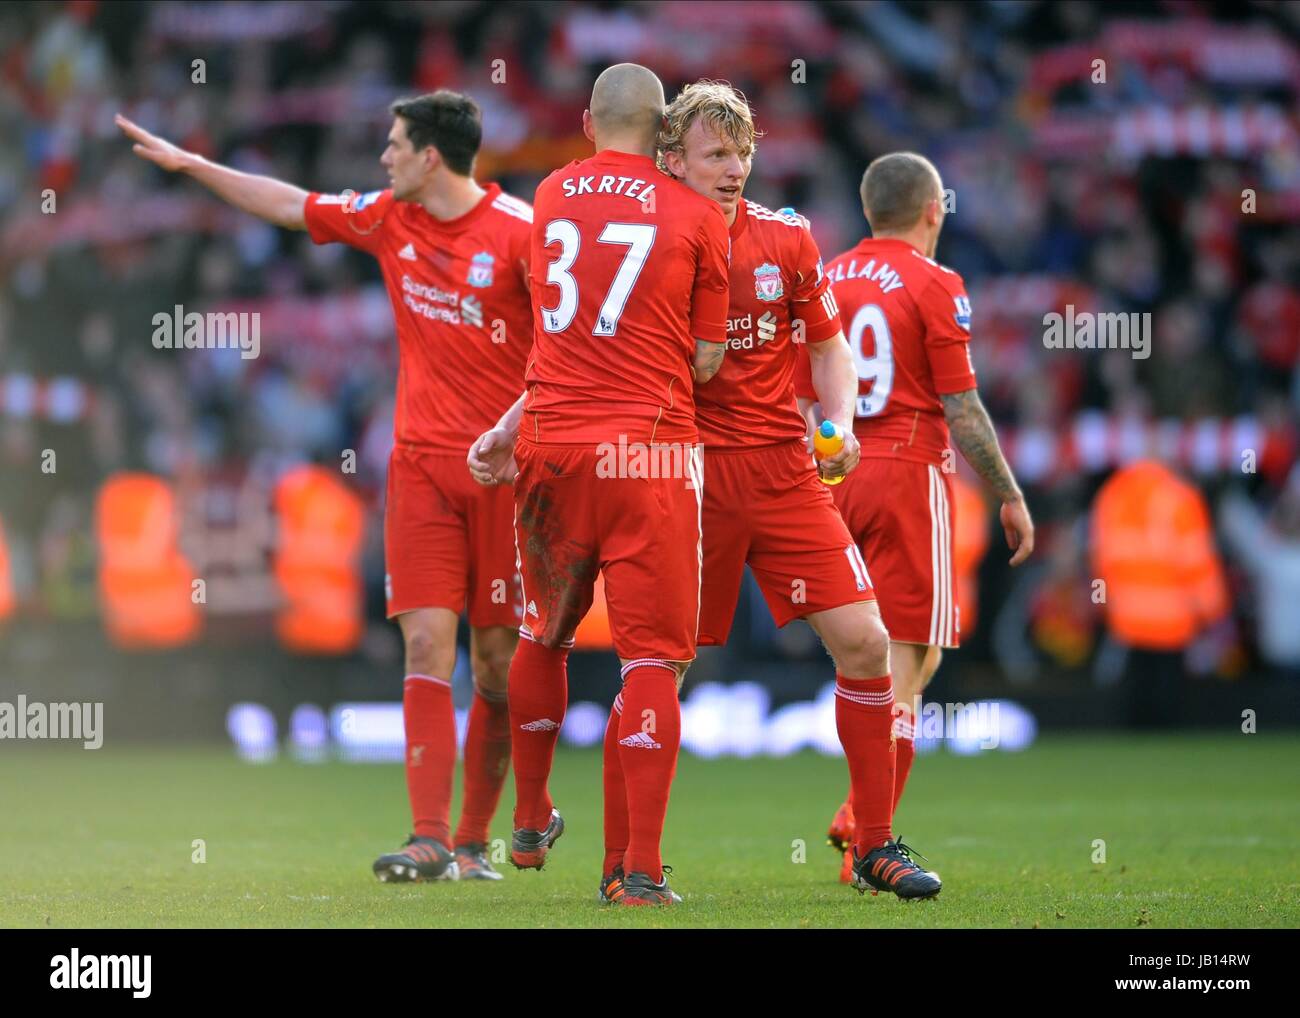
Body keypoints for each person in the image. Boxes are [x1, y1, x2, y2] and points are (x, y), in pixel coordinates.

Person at [117, 90, 535, 883]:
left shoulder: (520, 235)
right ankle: (429, 838)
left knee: (493, 666)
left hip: (505, 476)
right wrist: (194, 164)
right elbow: (288, 205)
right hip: (419, 470)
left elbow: (562, 348)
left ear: (430, 157)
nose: (382, 157)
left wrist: (515, 433)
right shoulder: (389, 219)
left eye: (393, 143)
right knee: (423, 643)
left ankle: (476, 842)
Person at [605, 80, 938, 902]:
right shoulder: (643, 245)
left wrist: (841, 422)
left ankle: (872, 844)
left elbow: (829, 347)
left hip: (787, 470)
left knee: (865, 644)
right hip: (685, 473)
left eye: (743, 152)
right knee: (661, 667)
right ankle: (629, 864)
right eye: (717, 153)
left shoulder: (787, 238)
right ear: (670, 158)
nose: (735, 168)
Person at [466, 64, 730, 906]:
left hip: (550, 447)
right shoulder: (697, 214)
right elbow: (709, 358)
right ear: (663, 135)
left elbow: (557, 327)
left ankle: (534, 811)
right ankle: (640, 872)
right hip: (650, 453)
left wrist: (511, 424)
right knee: (651, 655)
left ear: (587, 121)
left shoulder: (547, 197)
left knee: (543, 633)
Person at [795, 152, 1034, 880]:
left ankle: (861, 821)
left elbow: (800, 390)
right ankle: (866, 836)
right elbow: (960, 407)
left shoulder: (825, 275)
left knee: (867, 657)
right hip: (905, 469)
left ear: (870, 211)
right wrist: (1009, 493)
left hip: (833, 472)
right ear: (935, 210)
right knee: (911, 663)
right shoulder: (936, 282)